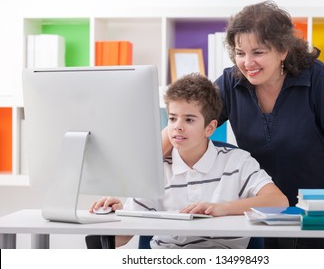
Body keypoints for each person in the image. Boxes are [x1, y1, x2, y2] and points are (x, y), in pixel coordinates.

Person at [161, 1, 324, 249]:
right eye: (240, 53)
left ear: (282, 50)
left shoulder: (317, 79)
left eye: (258, 52)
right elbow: (184, 120)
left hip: (316, 213)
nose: (248, 63)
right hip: (259, 211)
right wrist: (132, 181)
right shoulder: (230, 82)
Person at [90, 73, 288, 249]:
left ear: (210, 128)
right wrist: (111, 219)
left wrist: (223, 208)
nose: (177, 127)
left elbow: (278, 201)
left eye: (189, 120)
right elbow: (121, 238)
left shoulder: (237, 162)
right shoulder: (158, 170)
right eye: (173, 118)